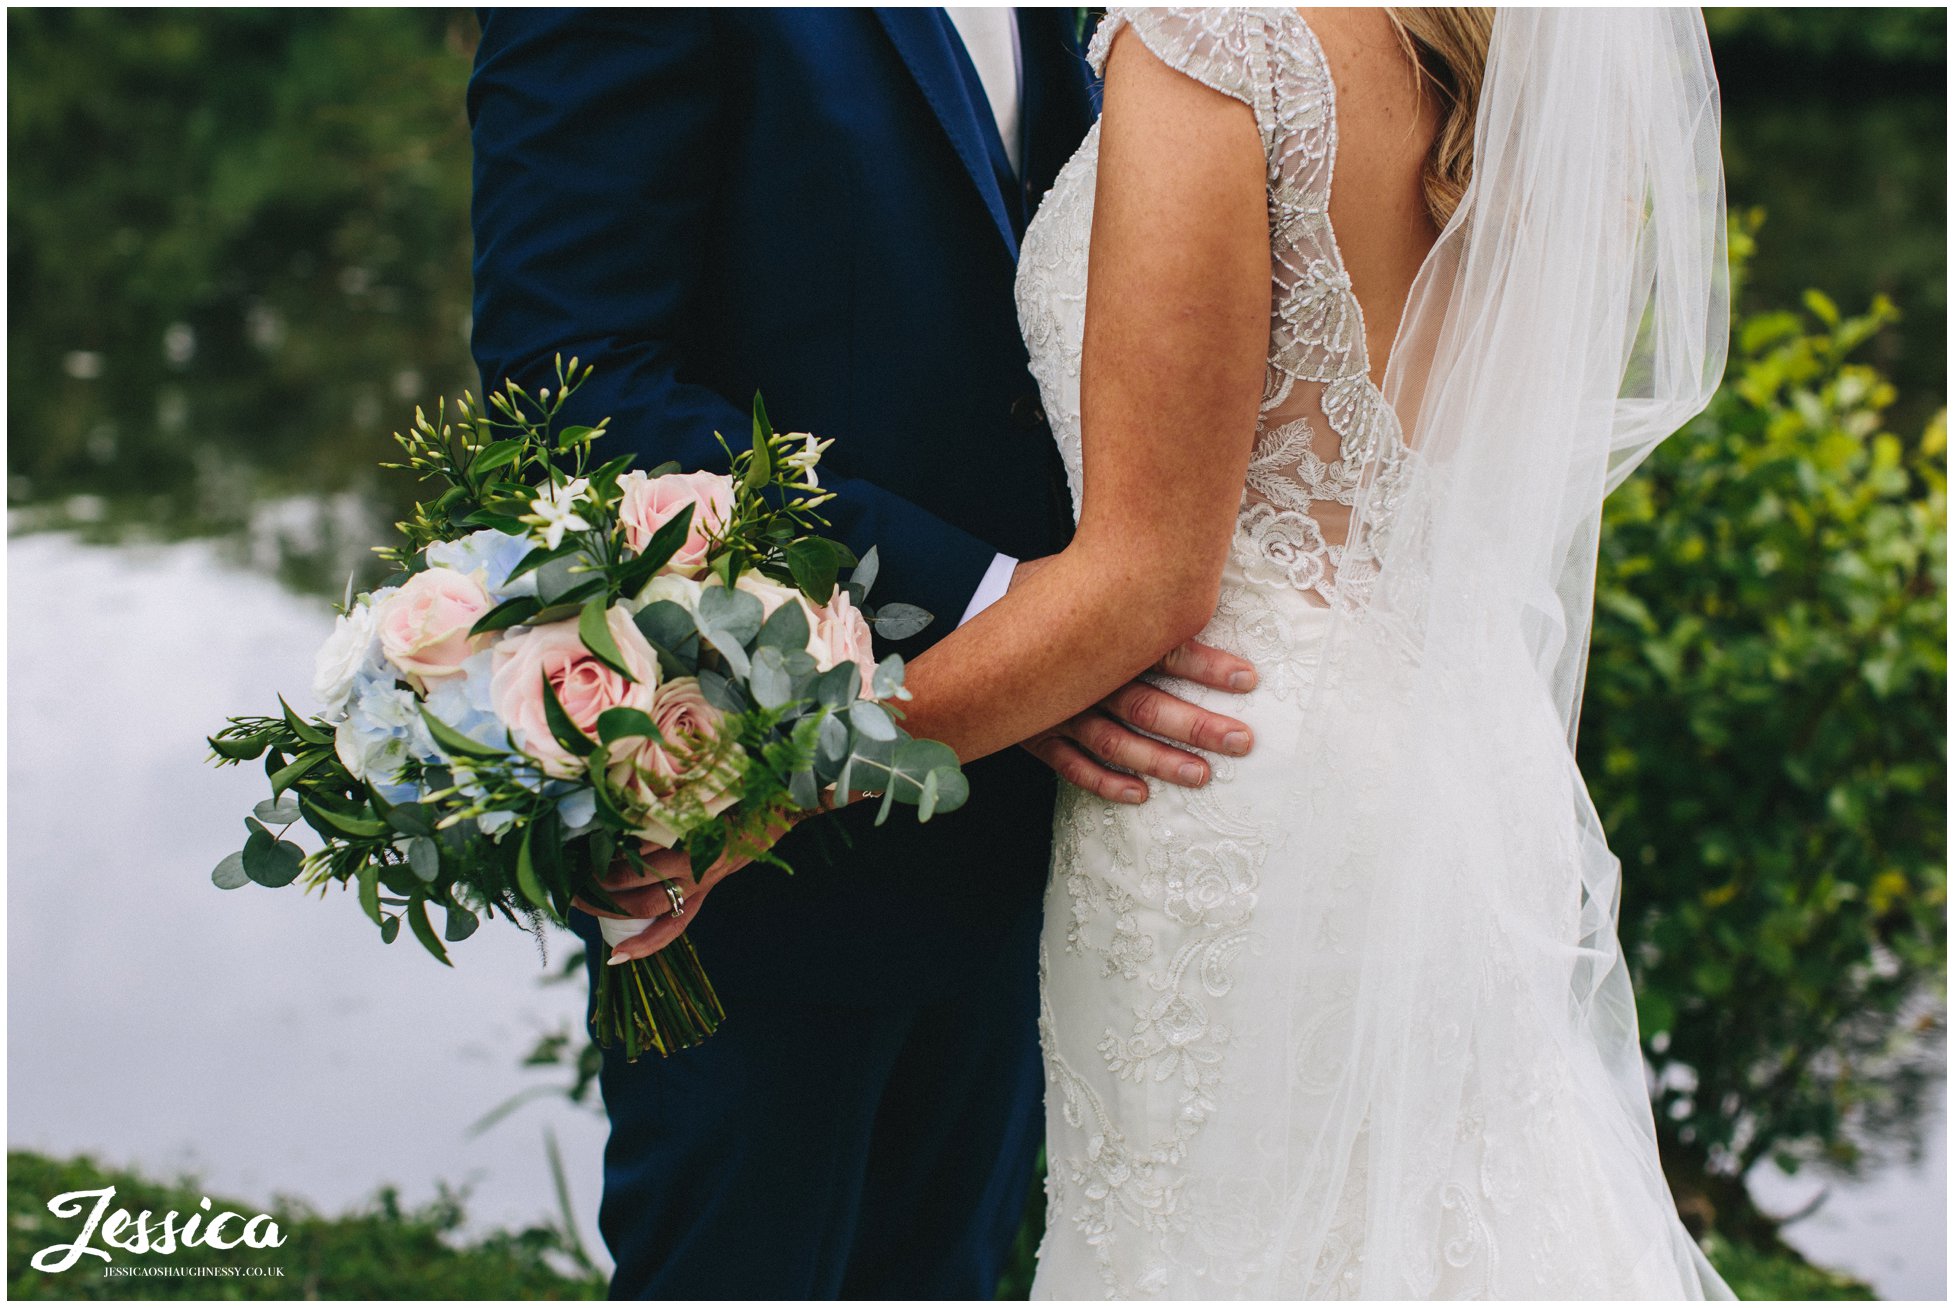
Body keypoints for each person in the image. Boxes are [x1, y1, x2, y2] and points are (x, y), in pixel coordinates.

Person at [616, 5, 1735, 1297]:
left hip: (1220, 772)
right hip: (1450, 763)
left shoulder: (1220, 34)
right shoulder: (1512, 57)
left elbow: (1145, 583)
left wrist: (780, 777)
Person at [466, 8, 1265, 1299]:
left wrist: (1073, 627)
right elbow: (575, 387)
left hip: (1029, 809)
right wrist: (1015, 611)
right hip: (760, 828)